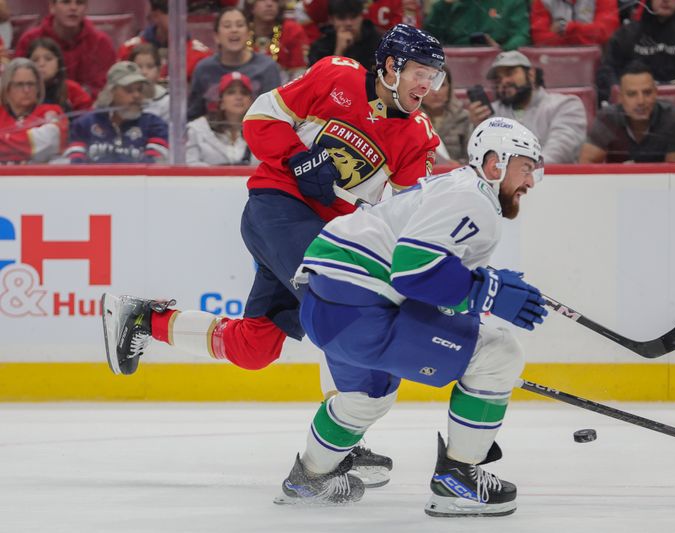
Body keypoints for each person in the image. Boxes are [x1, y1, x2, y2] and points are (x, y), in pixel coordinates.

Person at [100, 24, 446, 488]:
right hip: (277, 207)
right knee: (336, 298)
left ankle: (143, 320)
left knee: (255, 348)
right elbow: (261, 119)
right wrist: (297, 158)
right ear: (389, 67)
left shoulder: (418, 136)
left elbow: (403, 214)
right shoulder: (335, 77)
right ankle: (340, 445)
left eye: (434, 76)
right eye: (420, 73)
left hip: (329, 234)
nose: (427, 86)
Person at [272, 117, 547, 515]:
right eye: (526, 168)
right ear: (495, 164)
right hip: (361, 307)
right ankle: (457, 482)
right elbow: (414, 269)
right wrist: (485, 291)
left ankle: (309, 479)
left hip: (327, 306)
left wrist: (482, 290)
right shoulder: (474, 200)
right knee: (498, 355)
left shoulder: (453, 188)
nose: (531, 181)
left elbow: (424, 285)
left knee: (367, 398)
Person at [468, 50, 586, 164]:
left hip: (555, 180)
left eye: (510, 73)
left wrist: (522, 173)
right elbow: (477, 159)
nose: (504, 81)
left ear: (531, 74)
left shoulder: (565, 105)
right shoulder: (490, 114)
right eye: (499, 79)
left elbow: (559, 153)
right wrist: (477, 129)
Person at [596, 0, 675, 105]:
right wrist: (620, 92)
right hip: (633, 109)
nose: (666, 1)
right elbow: (608, 71)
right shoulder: (627, 34)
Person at [579, 62, 675, 163]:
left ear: (656, 93)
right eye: (632, 94)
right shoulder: (608, 118)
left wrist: (633, 174)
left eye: (647, 93)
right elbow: (586, 163)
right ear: (620, 98)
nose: (641, 101)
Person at [187, 7, 282, 121]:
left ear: (248, 33)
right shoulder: (203, 69)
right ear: (216, 36)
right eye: (227, 26)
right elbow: (194, 115)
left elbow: (275, 116)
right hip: (213, 135)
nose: (234, 30)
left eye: (240, 25)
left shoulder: (267, 67)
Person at [64, 61, 169, 164]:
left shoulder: (155, 126)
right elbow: (75, 166)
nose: (137, 95)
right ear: (111, 91)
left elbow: (154, 166)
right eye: (129, 90)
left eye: (140, 89)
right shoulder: (84, 125)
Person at [14, 0, 117, 99]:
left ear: (86, 8)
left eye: (80, 2)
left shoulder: (101, 43)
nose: (73, 8)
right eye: (66, 2)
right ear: (52, 6)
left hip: (87, 109)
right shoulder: (29, 40)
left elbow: (106, 89)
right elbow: (17, 86)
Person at [118, 0, 213, 81]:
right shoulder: (129, 50)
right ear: (155, 16)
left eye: (183, 12)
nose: (180, 19)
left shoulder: (201, 55)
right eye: (173, 13)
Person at [0, 58, 68, 164]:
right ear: (7, 88)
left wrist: (5, 140)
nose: (26, 90)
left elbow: (50, 142)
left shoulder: (51, 111)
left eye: (31, 84)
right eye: (19, 84)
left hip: (39, 178)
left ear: (38, 87)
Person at [186, 72, 257, 166]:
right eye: (231, 92)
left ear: (251, 102)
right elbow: (189, 164)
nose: (238, 97)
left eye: (244, 93)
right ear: (221, 101)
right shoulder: (197, 129)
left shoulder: (262, 132)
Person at [424, 0, 531, 51]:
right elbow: (430, 39)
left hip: (500, 64)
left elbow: (522, 35)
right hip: (456, 63)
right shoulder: (448, 5)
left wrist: (502, 50)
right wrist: (445, 6)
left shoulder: (512, 2)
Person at [27, 37, 92, 117]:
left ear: (59, 63)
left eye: (48, 59)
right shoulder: (22, 91)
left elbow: (87, 121)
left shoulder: (72, 89)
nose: (41, 64)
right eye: (35, 60)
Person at [307, 0, 383, 68]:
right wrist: (338, 52)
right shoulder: (320, 47)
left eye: (353, 17)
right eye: (341, 18)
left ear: (361, 16)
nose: (348, 23)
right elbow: (317, 80)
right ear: (331, 20)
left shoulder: (378, 42)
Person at [245, 0, 309, 81]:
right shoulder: (241, 31)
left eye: (274, 0)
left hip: (283, 89)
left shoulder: (291, 30)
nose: (269, 4)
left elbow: (299, 73)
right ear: (251, 7)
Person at [420, 65, 472, 164]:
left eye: (442, 85)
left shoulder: (464, 118)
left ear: (450, 88)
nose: (436, 92)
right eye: (430, 85)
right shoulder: (410, 120)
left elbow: (473, 159)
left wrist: (459, 165)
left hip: (457, 176)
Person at [530, 0, 619, 46]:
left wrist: (565, 28)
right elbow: (539, 40)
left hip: (595, 64)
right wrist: (586, 32)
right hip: (554, 62)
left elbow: (605, 34)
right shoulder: (542, 1)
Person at [128, 43, 170, 122]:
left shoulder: (166, 101)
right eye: (139, 67)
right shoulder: (123, 98)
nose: (144, 72)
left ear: (159, 70)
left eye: (150, 66)